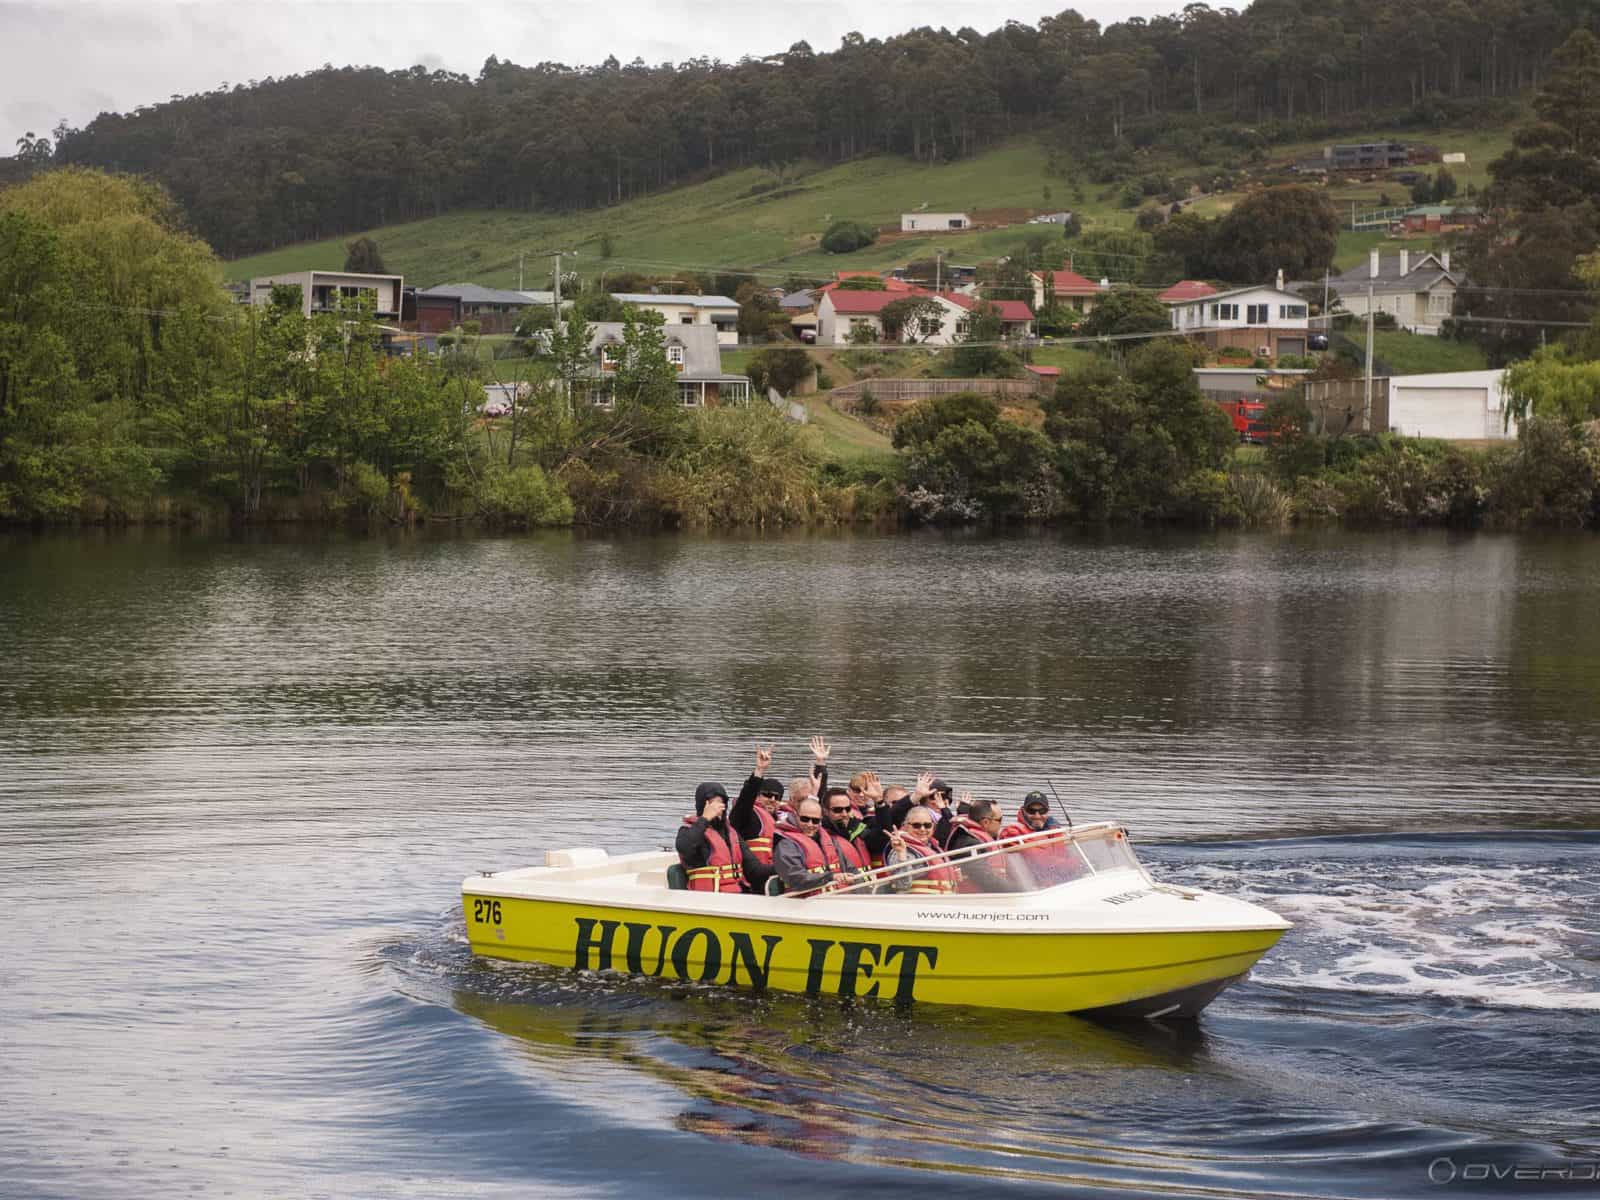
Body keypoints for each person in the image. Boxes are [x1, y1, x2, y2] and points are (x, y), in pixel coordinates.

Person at [772, 797, 863, 895]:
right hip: (804, 903)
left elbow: (850, 869)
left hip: (836, 899)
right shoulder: (786, 845)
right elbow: (795, 878)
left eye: (815, 821)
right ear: (795, 815)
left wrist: (855, 880)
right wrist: (830, 877)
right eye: (805, 819)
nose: (810, 824)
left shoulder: (830, 841)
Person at [675, 783, 750, 893]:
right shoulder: (688, 831)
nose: (717, 809)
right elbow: (684, 847)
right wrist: (705, 819)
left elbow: (754, 868)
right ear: (703, 806)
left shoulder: (731, 834)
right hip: (707, 900)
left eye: (721, 803)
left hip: (735, 895)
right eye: (712, 804)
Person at [728, 744, 781, 890]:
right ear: (758, 795)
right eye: (767, 794)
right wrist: (759, 771)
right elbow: (745, 800)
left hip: (777, 880)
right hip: (753, 883)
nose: (772, 799)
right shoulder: (746, 817)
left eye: (776, 797)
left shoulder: (782, 823)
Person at [945, 797, 1019, 893]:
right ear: (985, 822)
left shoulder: (975, 838)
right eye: (999, 820)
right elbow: (986, 880)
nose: (1001, 824)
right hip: (975, 902)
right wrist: (1021, 890)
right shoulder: (969, 844)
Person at [880, 806, 958, 894]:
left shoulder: (934, 847)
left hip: (942, 904)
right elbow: (901, 884)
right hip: (918, 905)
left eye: (927, 825)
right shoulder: (901, 849)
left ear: (933, 826)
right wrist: (901, 854)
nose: (922, 829)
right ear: (905, 826)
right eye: (916, 825)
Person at [821, 786, 870, 871]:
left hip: (868, 882)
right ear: (825, 811)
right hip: (848, 883)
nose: (844, 814)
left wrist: (879, 801)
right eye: (837, 810)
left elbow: (881, 835)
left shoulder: (859, 828)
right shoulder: (819, 837)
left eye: (847, 809)